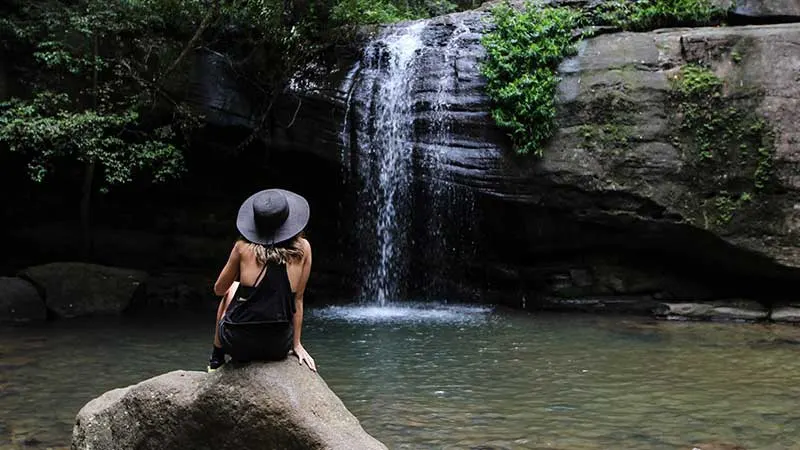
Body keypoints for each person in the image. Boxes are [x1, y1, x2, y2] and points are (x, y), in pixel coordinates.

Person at [208, 188, 316, 372]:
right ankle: (291, 343)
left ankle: (216, 359)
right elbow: (298, 299)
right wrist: (296, 344)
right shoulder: (304, 248)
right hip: (278, 346)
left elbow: (219, 289)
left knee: (231, 289)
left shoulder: (242, 248)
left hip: (238, 342)